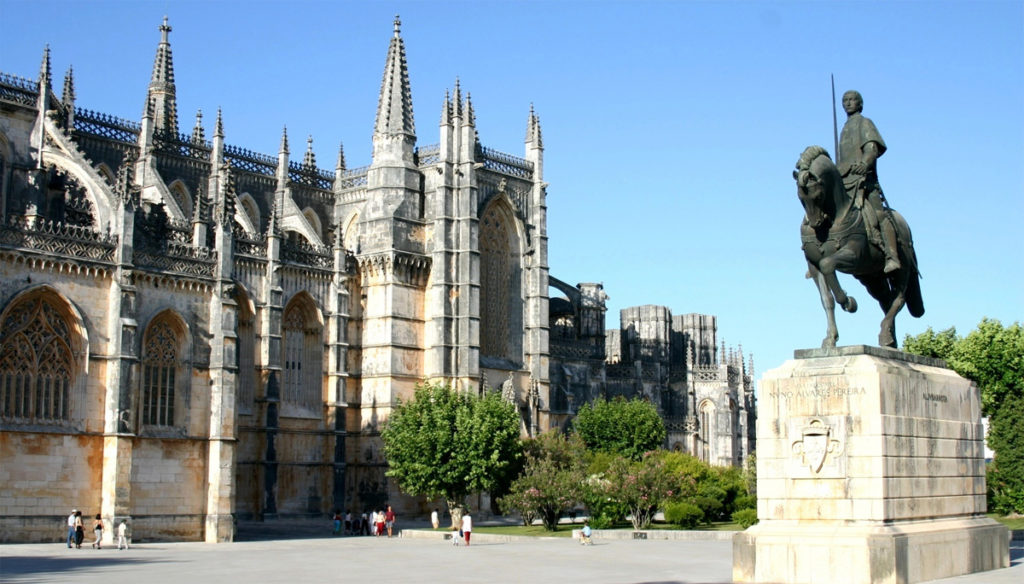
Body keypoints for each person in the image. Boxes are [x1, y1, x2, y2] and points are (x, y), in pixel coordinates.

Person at [838, 89, 900, 273]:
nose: (848, 103)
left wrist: (864, 164)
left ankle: (892, 255)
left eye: (852, 100)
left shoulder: (865, 123)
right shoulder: (844, 129)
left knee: (879, 215)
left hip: (864, 181)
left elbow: (871, 149)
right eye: (845, 100)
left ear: (860, 104)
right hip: (845, 183)